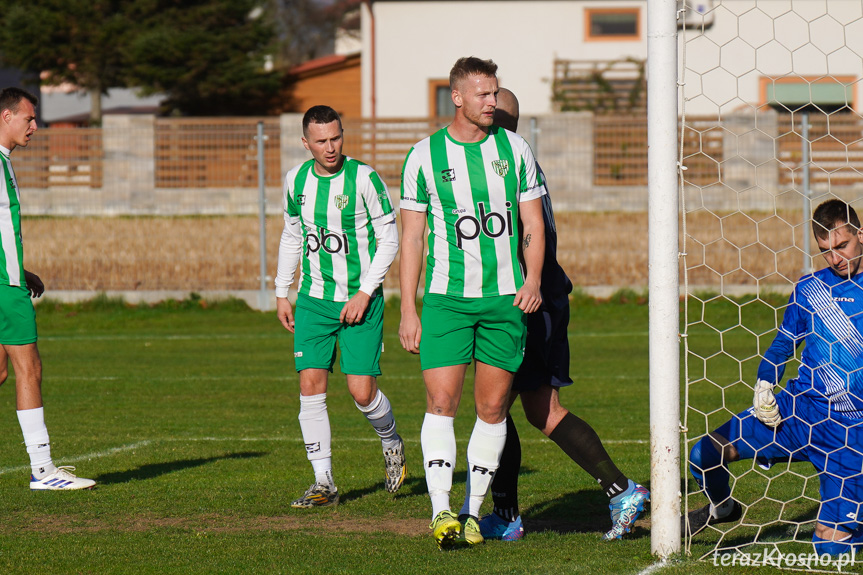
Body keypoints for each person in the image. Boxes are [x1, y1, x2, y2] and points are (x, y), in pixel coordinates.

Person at [477, 88, 649, 542]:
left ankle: (511, 514)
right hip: (544, 298)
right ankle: (616, 491)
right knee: (529, 409)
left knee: (500, 407)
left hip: (527, 302)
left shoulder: (501, 168)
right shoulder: (518, 162)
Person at [399, 57, 546, 549]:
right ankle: (441, 512)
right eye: (483, 94)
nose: (492, 102)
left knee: (493, 406)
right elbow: (413, 238)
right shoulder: (422, 156)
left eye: (495, 92)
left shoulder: (515, 148)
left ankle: (474, 512)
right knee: (441, 402)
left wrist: (534, 279)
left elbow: (533, 225)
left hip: (505, 300)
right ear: (457, 97)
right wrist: (407, 308)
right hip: (446, 300)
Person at [686, 198, 863, 556]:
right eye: (826, 251)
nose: (835, 258)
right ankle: (723, 507)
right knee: (704, 454)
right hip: (800, 411)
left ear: (861, 234)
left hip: (851, 432)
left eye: (842, 246)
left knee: (829, 550)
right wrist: (765, 383)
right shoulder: (811, 288)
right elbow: (784, 343)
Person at [275, 105, 405, 508]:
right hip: (314, 300)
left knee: (361, 391)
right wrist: (282, 290)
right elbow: (292, 236)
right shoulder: (296, 181)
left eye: (336, 138)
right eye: (321, 141)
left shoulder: (364, 178)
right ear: (306, 143)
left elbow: (390, 238)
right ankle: (324, 483)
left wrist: (365, 291)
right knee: (310, 385)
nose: (331, 147)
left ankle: (391, 440)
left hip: (360, 301)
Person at [0, 88, 95, 491]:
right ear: (6, 117)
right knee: (29, 367)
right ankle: (44, 470)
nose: (35, 127)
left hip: (9, 276)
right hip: (4, 286)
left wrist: (24, 268)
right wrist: (13, 275)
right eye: (29, 119)